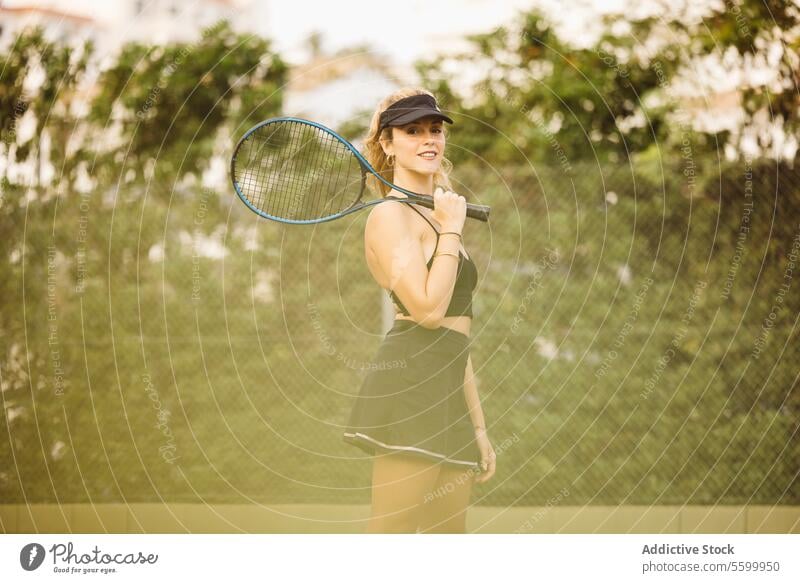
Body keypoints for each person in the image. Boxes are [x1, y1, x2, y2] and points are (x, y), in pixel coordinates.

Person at [342, 87, 496, 533]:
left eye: (434, 130)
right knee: (391, 536)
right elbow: (428, 313)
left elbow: (455, 334)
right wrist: (452, 229)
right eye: (412, 131)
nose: (428, 139)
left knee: (446, 542)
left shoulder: (438, 218)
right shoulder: (390, 217)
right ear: (387, 144)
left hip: (448, 387)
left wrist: (478, 426)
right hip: (411, 381)